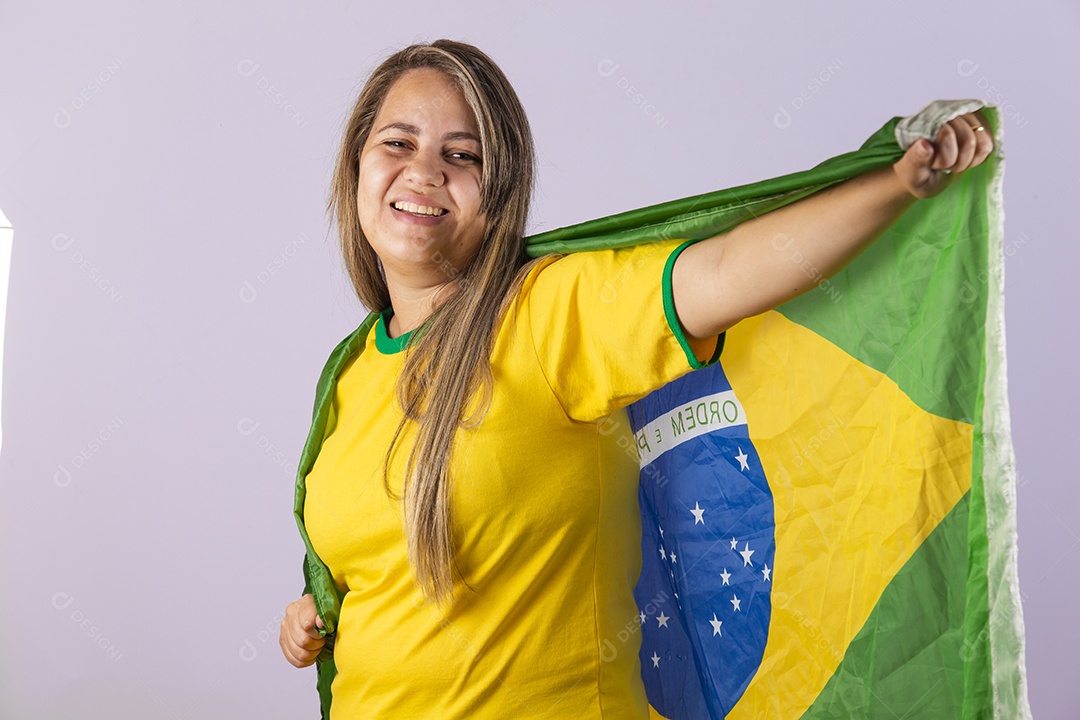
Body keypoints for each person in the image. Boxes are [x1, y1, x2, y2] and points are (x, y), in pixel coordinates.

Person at [278, 39, 993, 719]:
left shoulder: (544, 313)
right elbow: (381, 576)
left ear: (497, 196)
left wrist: (897, 181)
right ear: (356, 166)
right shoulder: (348, 372)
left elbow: (723, 272)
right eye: (397, 142)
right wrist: (314, 618)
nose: (425, 170)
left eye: (461, 156)